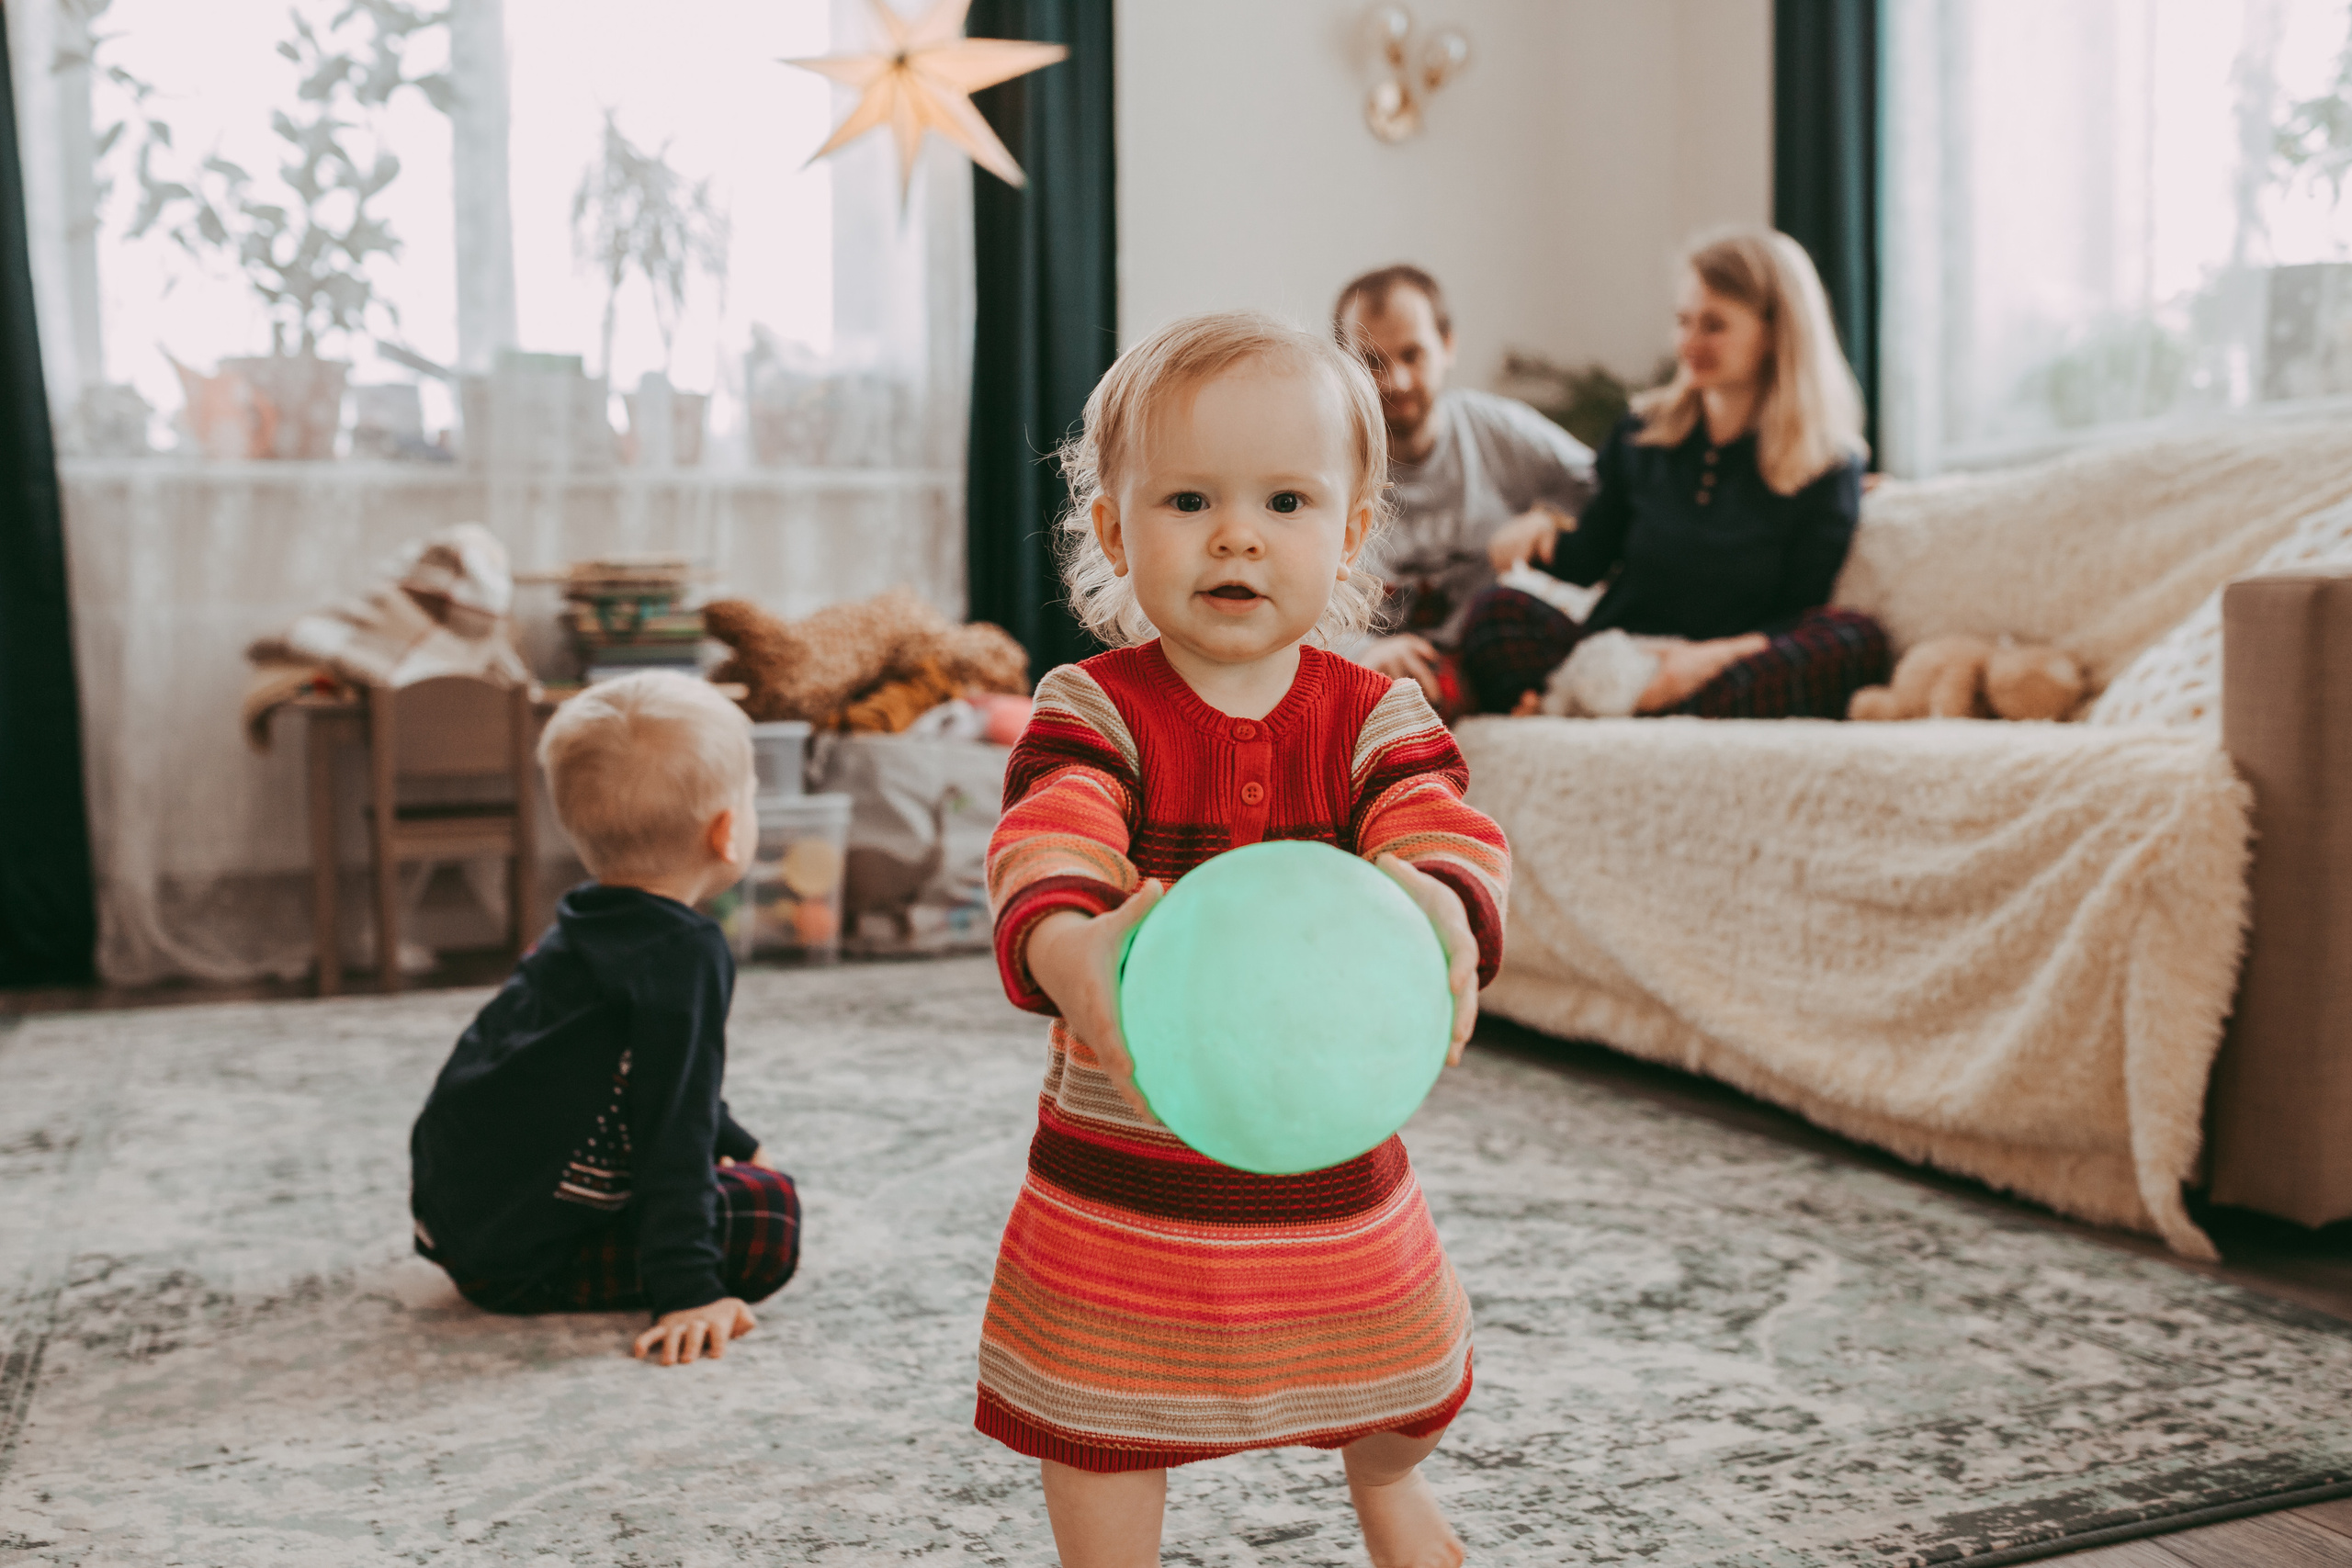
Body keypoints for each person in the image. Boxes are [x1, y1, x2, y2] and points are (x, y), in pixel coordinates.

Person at [976, 310, 1510, 1567]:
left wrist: (1440, 903)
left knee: (1408, 1372)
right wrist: (1071, 947)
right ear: (1115, 531)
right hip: (1129, 1162)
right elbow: (1052, 830)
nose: (1236, 535)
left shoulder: (1377, 714)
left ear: (1350, 531)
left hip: (1327, 1148)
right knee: (1099, 1410)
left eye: (1284, 500)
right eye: (1188, 500)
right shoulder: (1092, 707)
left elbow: (1436, 822)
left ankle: (1387, 1486)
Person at [409, 671, 800, 1368]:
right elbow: (672, 1118)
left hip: (460, 1224)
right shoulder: (687, 953)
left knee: (743, 1176)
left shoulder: (584, 917)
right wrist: (689, 1289)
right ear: (726, 832)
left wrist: (737, 1141)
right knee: (771, 1214)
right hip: (519, 1260)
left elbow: (649, 1069)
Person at [1458, 228, 1891, 718]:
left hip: (1722, 662)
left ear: (1775, 333)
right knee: (1495, 613)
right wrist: (1540, 533)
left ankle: (1621, 703)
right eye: (1683, 321)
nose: (1689, 342)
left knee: (1858, 640)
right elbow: (1589, 558)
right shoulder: (1641, 433)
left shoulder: (1830, 466)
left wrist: (1697, 661)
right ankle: (1631, 698)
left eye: (1714, 325)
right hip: (1621, 652)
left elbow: (1800, 611)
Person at [1333, 264, 1595, 715]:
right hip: (1379, 676)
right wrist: (1364, 652)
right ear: (1343, 365)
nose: (1396, 381)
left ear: (1448, 346)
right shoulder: (1324, 457)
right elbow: (1290, 595)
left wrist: (1549, 517)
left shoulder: (1497, 428)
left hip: (1492, 649)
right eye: (1372, 361)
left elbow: (1609, 484)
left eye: (1412, 355)